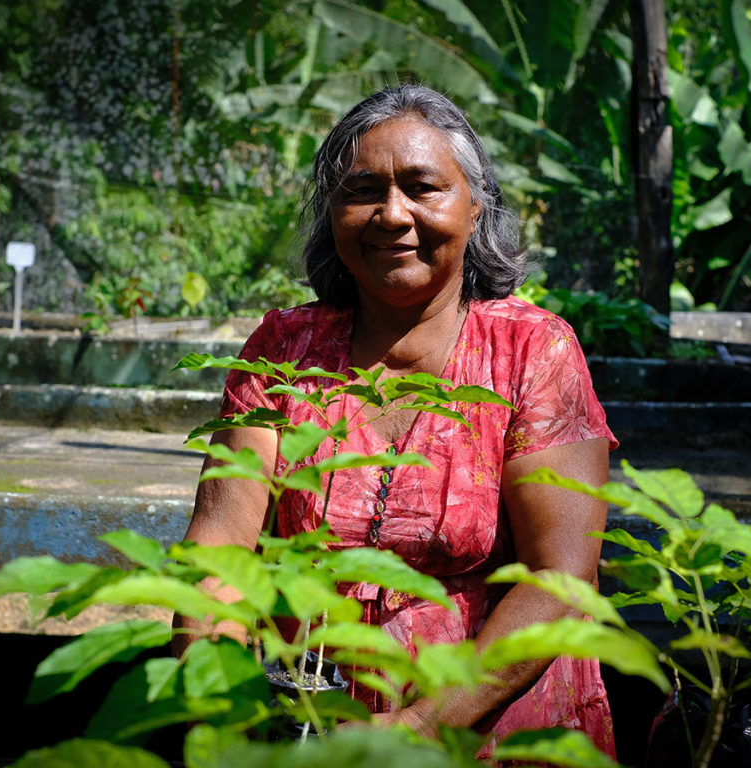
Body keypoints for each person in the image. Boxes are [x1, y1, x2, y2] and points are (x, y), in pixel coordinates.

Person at [173, 84, 617, 759]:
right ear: (332, 214)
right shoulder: (285, 353)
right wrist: (221, 703)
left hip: (495, 727)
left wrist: (416, 731)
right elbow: (221, 546)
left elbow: (558, 580)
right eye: (362, 190)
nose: (391, 214)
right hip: (315, 725)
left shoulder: (531, 351)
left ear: (475, 208)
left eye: (422, 186)